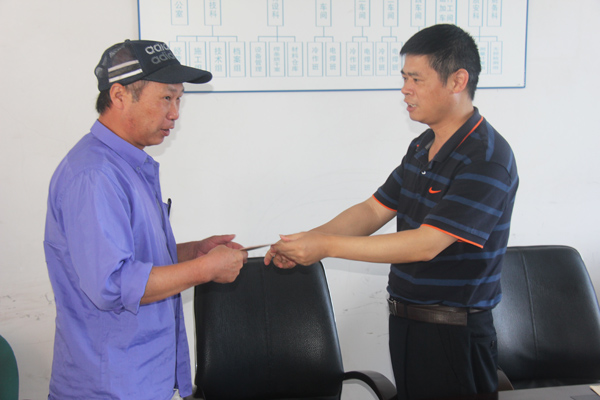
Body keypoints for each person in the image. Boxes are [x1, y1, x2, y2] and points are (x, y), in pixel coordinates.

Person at [265, 24, 518, 399]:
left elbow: (427, 244)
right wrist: (305, 241)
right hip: (407, 324)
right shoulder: (422, 147)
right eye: (404, 78)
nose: (405, 90)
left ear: (457, 81)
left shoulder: (486, 158)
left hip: (454, 333)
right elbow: (373, 209)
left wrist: (326, 247)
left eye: (416, 79)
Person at [44, 39, 248, 400]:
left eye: (179, 99)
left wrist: (193, 253)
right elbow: (112, 283)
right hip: (109, 387)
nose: (175, 113)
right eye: (166, 98)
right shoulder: (95, 175)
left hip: (140, 379)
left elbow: (131, 258)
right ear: (120, 95)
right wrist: (205, 270)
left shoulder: (127, 165)